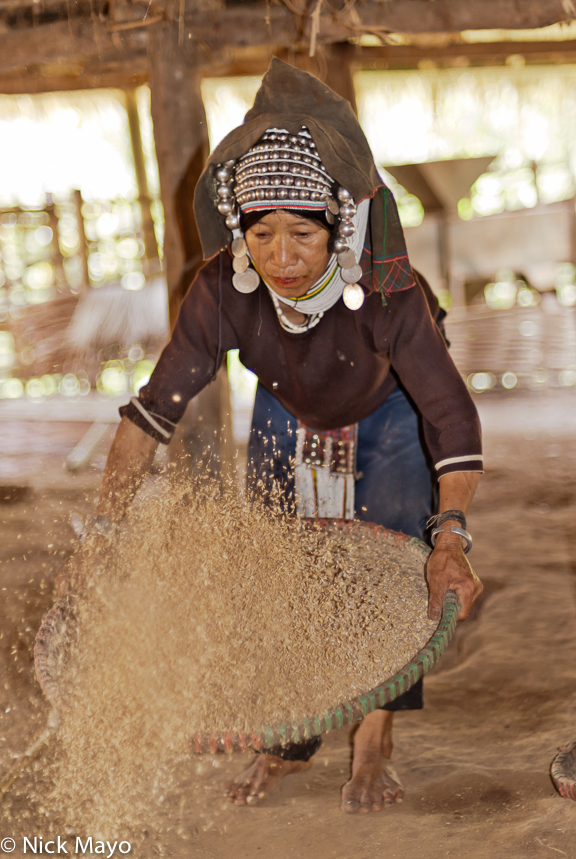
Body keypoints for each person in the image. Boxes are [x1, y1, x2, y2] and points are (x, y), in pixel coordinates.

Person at [57, 59, 483, 814]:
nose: (281, 258)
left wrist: (449, 534)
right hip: (289, 410)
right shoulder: (223, 288)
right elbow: (151, 411)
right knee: (282, 561)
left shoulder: (391, 292)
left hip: (390, 414)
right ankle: (290, 733)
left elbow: (450, 415)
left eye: (301, 234)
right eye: (262, 234)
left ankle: (373, 736)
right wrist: (103, 532)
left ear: (339, 226)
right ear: (239, 233)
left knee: (391, 553)